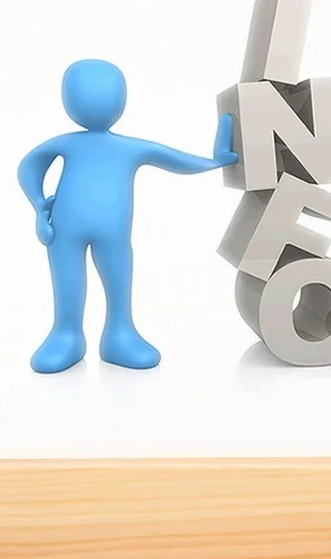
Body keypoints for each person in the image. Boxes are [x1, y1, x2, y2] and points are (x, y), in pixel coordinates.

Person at [18, 59, 238, 373]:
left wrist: (214, 162)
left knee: (117, 281)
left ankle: (119, 335)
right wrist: (40, 206)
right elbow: (29, 169)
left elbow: (173, 159)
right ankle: (66, 335)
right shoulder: (72, 144)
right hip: (64, 232)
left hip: (112, 236)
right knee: (69, 282)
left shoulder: (127, 147)